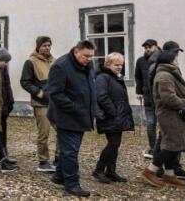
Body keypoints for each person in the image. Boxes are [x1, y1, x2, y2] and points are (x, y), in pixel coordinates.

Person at [140, 47, 185, 190]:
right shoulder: (164, 76)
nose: (178, 61)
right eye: (176, 59)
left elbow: (183, 93)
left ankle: (169, 174)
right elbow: (168, 98)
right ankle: (150, 171)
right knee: (172, 145)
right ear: (171, 61)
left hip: (174, 115)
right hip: (169, 115)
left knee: (174, 144)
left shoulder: (171, 74)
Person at [45, 40, 96, 197]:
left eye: (91, 56)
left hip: (81, 115)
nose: (89, 59)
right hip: (66, 116)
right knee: (70, 151)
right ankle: (72, 184)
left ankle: (59, 175)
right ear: (76, 52)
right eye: (86, 56)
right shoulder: (61, 66)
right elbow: (54, 93)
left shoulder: (87, 65)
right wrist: (75, 108)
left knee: (70, 149)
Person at [93, 52, 133, 184]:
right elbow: (102, 97)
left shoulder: (115, 77)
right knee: (113, 144)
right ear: (108, 64)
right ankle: (99, 170)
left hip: (117, 117)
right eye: (116, 65)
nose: (119, 67)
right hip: (110, 117)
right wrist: (114, 112)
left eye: (121, 65)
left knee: (115, 144)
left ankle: (110, 171)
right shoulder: (103, 77)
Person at [20, 36, 56, 172]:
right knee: (44, 133)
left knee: (62, 131)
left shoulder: (54, 61)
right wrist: (39, 93)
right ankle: (43, 161)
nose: (47, 48)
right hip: (41, 104)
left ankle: (59, 159)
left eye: (49, 45)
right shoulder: (31, 62)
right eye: (44, 45)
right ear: (38, 47)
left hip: (55, 102)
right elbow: (25, 82)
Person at [134, 39, 160, 157]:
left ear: (156, 47)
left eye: (150, 47)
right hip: (148, 97)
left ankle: (163, 148)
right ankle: (153, 148)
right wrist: (139, 91)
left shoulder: (162, 59)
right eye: (146, 48)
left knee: (164, 125)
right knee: (150, 123)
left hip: (160, 98)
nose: (147, 49)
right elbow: (138, 77)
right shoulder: (140, 61)